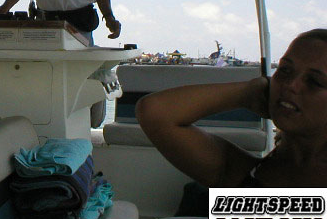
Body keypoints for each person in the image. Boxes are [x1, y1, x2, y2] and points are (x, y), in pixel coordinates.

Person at [136, 29, 327, 187]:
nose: (291, 85)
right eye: (284, 70)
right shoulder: (245, 172)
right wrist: (248, 93)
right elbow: (153, 112)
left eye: (314, 81)